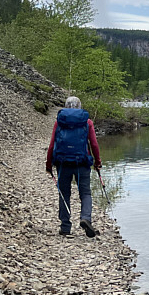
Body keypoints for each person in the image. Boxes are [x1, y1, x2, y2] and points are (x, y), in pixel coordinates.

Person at [46, 96, 102, 237]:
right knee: (85, 193)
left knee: (64, 193)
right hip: (82, 163)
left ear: (66, 106)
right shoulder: (87, 122)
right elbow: (94, 144)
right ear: (79, 106)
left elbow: (52, 144)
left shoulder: (60, 121)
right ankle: (85, 218)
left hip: (63, 163)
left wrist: (48, 163)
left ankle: (65, 227)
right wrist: (98, 162)